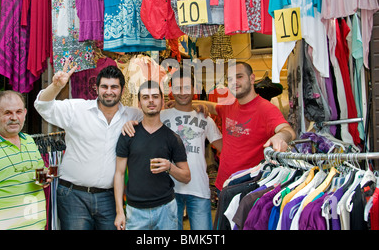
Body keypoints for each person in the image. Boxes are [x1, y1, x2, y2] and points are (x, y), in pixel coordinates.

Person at [34, 60, 142, 230]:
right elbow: (42, 106)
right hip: (73, 196)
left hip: (109, 197)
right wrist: (55, 87)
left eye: (114, 87)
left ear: (122, 89)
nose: (109, 92)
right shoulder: (77, 109)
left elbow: (156, 120)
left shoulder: (132, 115)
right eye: (104, 86)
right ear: (96, 88)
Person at [122, 69, 222, 230]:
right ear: (171, 90)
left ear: (195, 89)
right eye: (178, 88)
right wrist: (127, 123)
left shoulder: (204, 118)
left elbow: (224, 148)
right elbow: (136, 121)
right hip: (167, 191)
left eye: (187, 87)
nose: (182, 92)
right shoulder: (160, 114)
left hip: (198, 188)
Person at [194, 61, 296, 192]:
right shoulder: (229, 105)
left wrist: (280, 136)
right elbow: (211, 106)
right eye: (230, 79)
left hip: (248, 187)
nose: (234, 82)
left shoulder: (266, 109)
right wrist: (179, 104)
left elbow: (288, 131)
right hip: (223, 184)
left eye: (239, 76)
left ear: (252, 78)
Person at [114, 80, 191, 230]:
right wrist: (119, 211)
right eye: (145, 97)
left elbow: (186, 177)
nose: (150, 100)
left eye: (155, 96)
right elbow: (119, 173)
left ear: (162, 101)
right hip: (135, 212)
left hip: (166, 210)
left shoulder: (172, 138)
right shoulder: (128, 134)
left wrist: (169, 167)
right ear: (139, 103)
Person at [0, 90, 48, 230]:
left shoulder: (30, 141)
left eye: (18, 112)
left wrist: (45, 179)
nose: (14, 118)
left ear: (25, 113)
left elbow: (40, 174)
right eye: (7, 113)